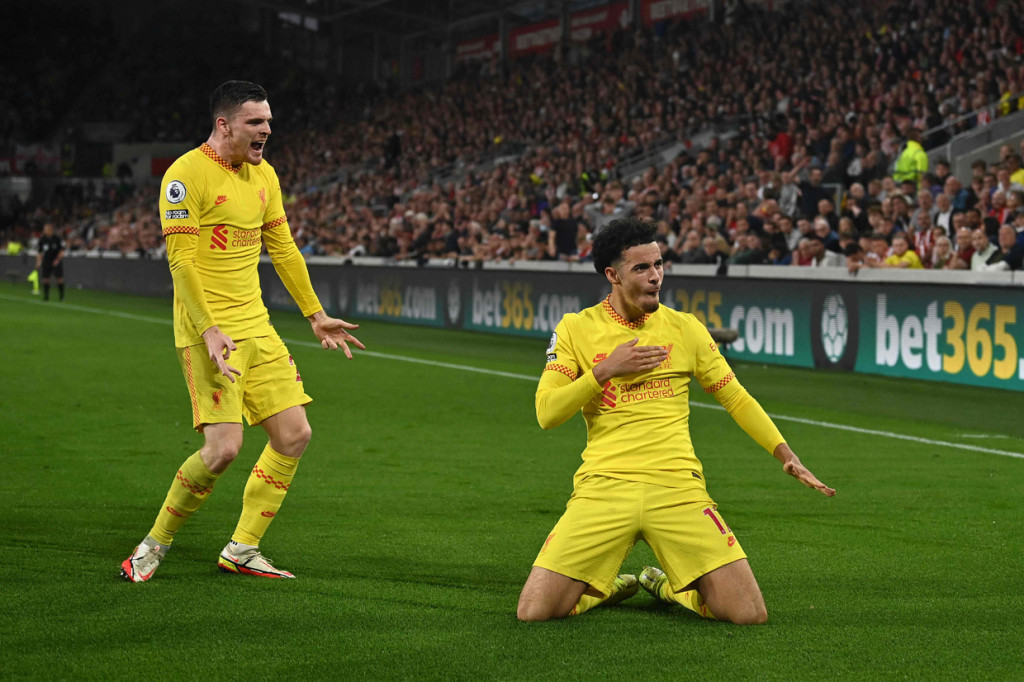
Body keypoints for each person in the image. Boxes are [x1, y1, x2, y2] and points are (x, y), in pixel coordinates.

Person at [516, 218, 835, 624]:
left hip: (677, 487)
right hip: (605, 486)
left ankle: (666, 587)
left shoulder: (685, 328)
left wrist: (785, 454)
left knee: (749, 613)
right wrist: (605, 370)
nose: (655, 277)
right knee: (534, 611)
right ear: (613, 275)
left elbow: (736, 397)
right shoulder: (576, 329)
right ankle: (608, 588)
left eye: (659, 264)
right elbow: (547, 412)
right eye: (641, 268)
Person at [120, 81, 365, 583]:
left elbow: (284, 248)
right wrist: (208, 328)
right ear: (224, 125)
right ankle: (152, 546)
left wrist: (315, 315)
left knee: (294, 435)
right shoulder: (185, 175)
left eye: (268, 121)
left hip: (257, 326)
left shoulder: (264, 174)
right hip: (208, 331)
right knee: (223, 450)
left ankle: (243, 548)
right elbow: (181, 262)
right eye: (256, 122)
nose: (267, 129)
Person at [36, 223, 65, 301]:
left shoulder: (57, 238)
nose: (44, 231)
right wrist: (38, 262)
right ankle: (46, 296)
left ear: (51, 230)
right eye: (44, 229)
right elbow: (39, 252)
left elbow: (62, 251)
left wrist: (57, 260)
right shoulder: (42, 239)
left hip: (56, 260)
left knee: (59, 278)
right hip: (46, 260)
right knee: (45, 279)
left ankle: (61, 296)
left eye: (46, 229)